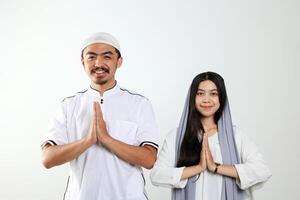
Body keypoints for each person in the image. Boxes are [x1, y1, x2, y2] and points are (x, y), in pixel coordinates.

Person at [41, 32, 159, 200]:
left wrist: (107, 139)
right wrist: (87, 141)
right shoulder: (69, 105)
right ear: (83, 62)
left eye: (107, 56)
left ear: (119, 62)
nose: (98, 63)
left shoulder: (139, 103)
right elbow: (47, 158)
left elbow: (149, 159)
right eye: (91, 57)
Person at [150, 71, 271, 200]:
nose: (206, 99)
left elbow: (262, 171)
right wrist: (198, 168)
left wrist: (215, 167)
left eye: (213, 94)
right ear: (192, 98)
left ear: (221, 98)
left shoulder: (236, 136)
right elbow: (157, 175)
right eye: (200, 93)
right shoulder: (176, 137)